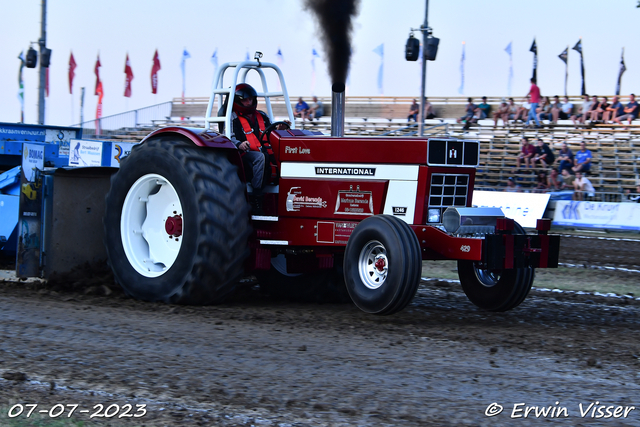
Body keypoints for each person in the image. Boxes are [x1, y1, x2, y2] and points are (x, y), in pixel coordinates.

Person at [230, 83, 289, 214]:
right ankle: (257, 198)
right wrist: (239, 144)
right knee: (260, 158)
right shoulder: (232, 117)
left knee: (287, 153)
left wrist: (279, 131)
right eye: (245, 100)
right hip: (243, 155)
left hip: (264, 152)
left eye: (250, 99)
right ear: (238, 101)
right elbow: (229, 137)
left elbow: (270, 134)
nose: (249, 102)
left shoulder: (262, 115)